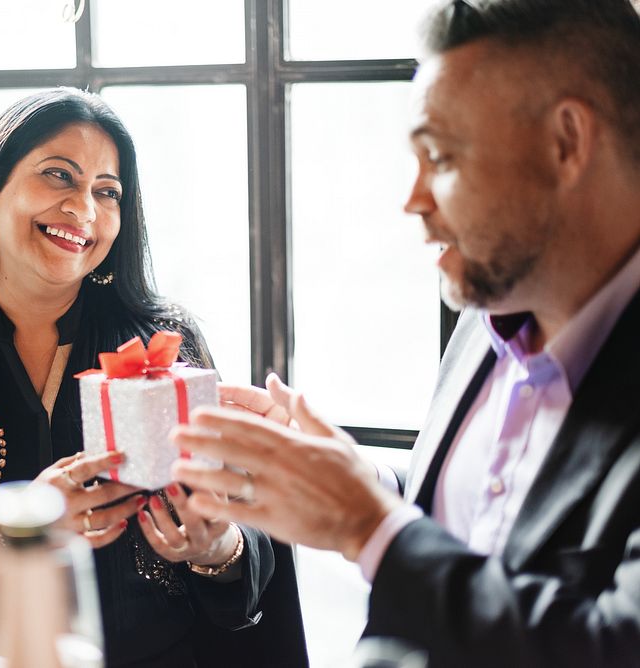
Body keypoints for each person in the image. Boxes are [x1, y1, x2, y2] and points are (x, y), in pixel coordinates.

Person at [171, 0, 640, 666]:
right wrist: (354, 478)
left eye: (440, 156)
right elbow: (472, 531)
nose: (413, 199)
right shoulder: (489, 313)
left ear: (566, 143)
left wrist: (369, 526)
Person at [0, 88, 307, 666]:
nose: (83, 209)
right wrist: (14, 528)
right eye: (59, 176)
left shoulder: (162, 345)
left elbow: (248, 548)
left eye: (106, 192)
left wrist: (218, 548)